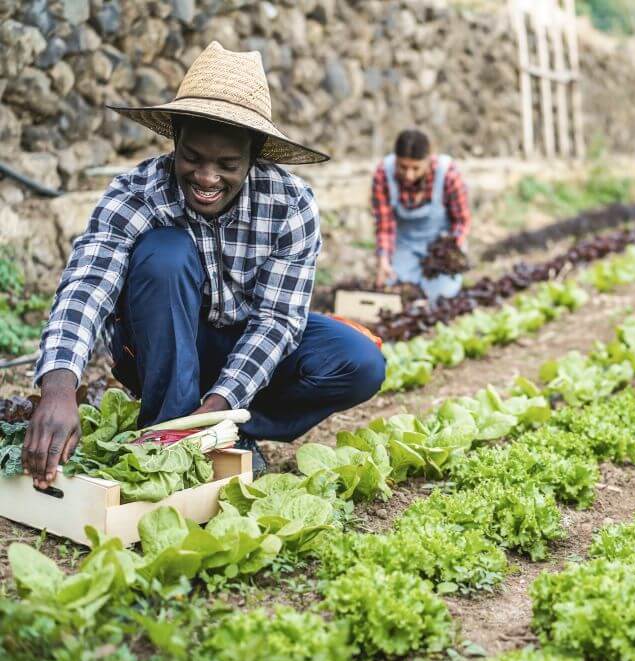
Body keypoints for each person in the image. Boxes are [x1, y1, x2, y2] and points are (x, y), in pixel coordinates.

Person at [23, 41, 386, 485]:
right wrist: (59, 388)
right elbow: (87, 284)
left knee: (358, 361)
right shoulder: (136, 192)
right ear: (175, 139)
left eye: (227, 163)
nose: (207, 177)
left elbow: (276, 320)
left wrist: (220, 406)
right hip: (158, 342)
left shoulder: (291, 204)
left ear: (255, 155)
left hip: (244, 341)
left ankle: (226, 429)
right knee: (166, 254)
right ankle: (168, 431)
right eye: (192, 157)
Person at [371, 129, 471, 302]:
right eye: (403, 167)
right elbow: (384, 226)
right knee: (394, 291)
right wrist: (384, 260)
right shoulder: (383, 174)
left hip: (439, 246)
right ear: (396, 159)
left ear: (429, 159)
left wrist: (450, 253)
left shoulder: (448, 174)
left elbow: (461, 221)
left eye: (416, 168)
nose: (409, 175)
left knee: (440, 296)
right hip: (404, 245)